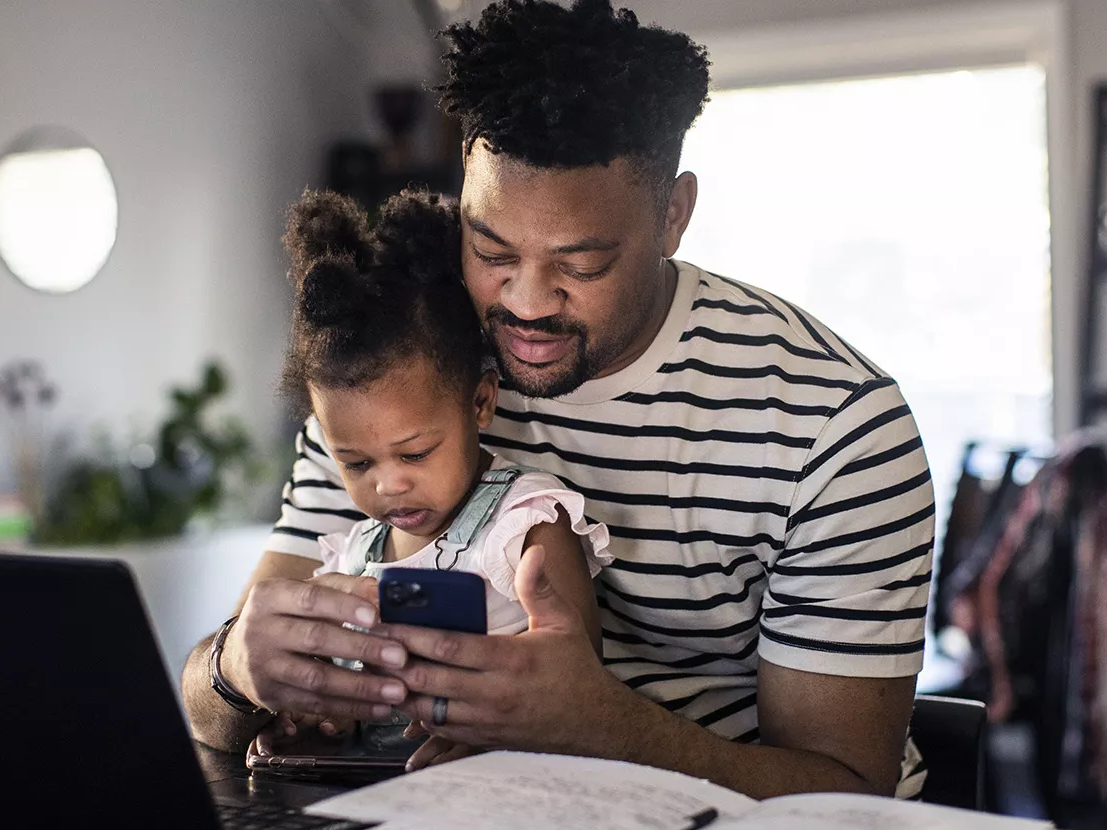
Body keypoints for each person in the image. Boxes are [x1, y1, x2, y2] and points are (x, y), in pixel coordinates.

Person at [183, 0, 936, 800]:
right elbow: (209, 713)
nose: (529, 303)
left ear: (673, 215)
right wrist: (238, 668)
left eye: (582, 263)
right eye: (491, 249)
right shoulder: (402, 371)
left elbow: (847, 797)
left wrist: (600, 728)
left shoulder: (833, 427)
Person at [259, 188, 611, 767]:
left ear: (479, 403)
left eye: (416, 453)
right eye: (357, 463)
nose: (388, 485)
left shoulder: (525, 526)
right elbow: (334, 686)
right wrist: (314, 712)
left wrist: (500, 730)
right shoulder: (352, 556)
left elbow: (577, 690)